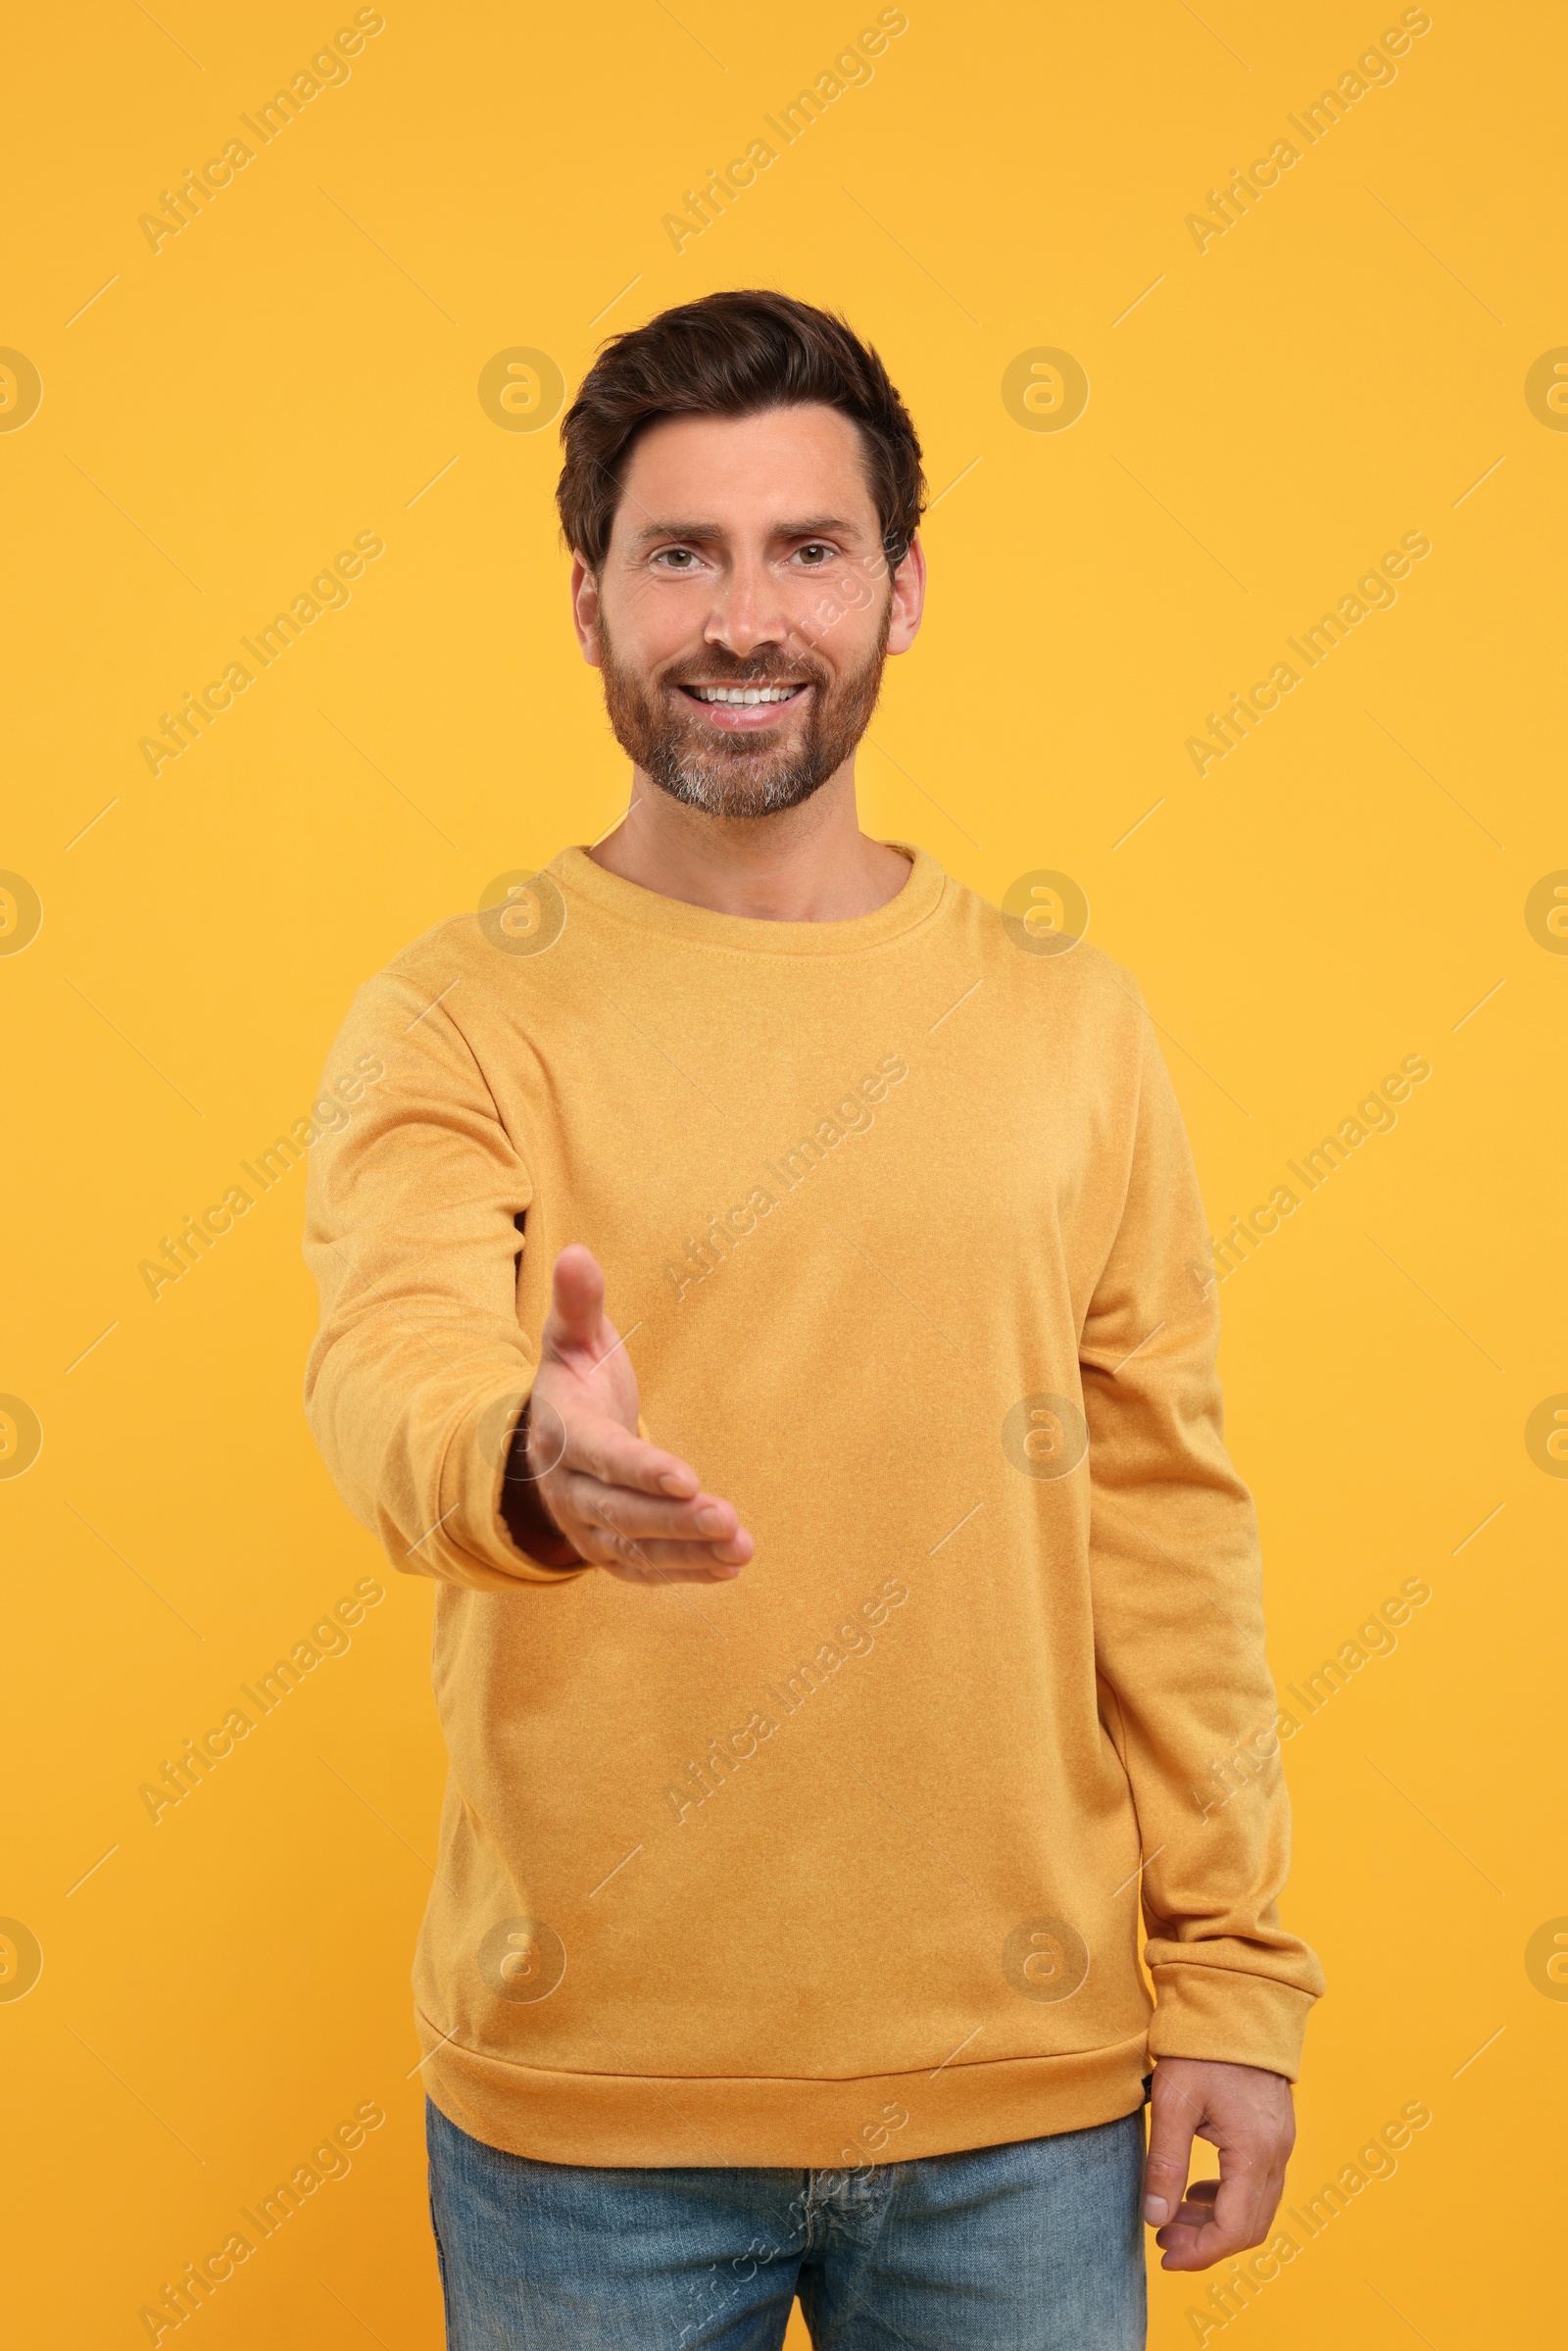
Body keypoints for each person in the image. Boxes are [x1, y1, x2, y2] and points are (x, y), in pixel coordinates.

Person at [303, 288, 1322, 2350]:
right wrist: (526, 1457)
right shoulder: (457, 1008)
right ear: (584, 600)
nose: (743, 617)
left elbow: (1165, 1520)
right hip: (583, 2120)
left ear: (902, 588)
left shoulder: (1068, 1023)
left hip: (1018, 2113)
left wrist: (1228, 1971)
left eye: (806, 550)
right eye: (680, 553)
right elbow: (387, 1356)